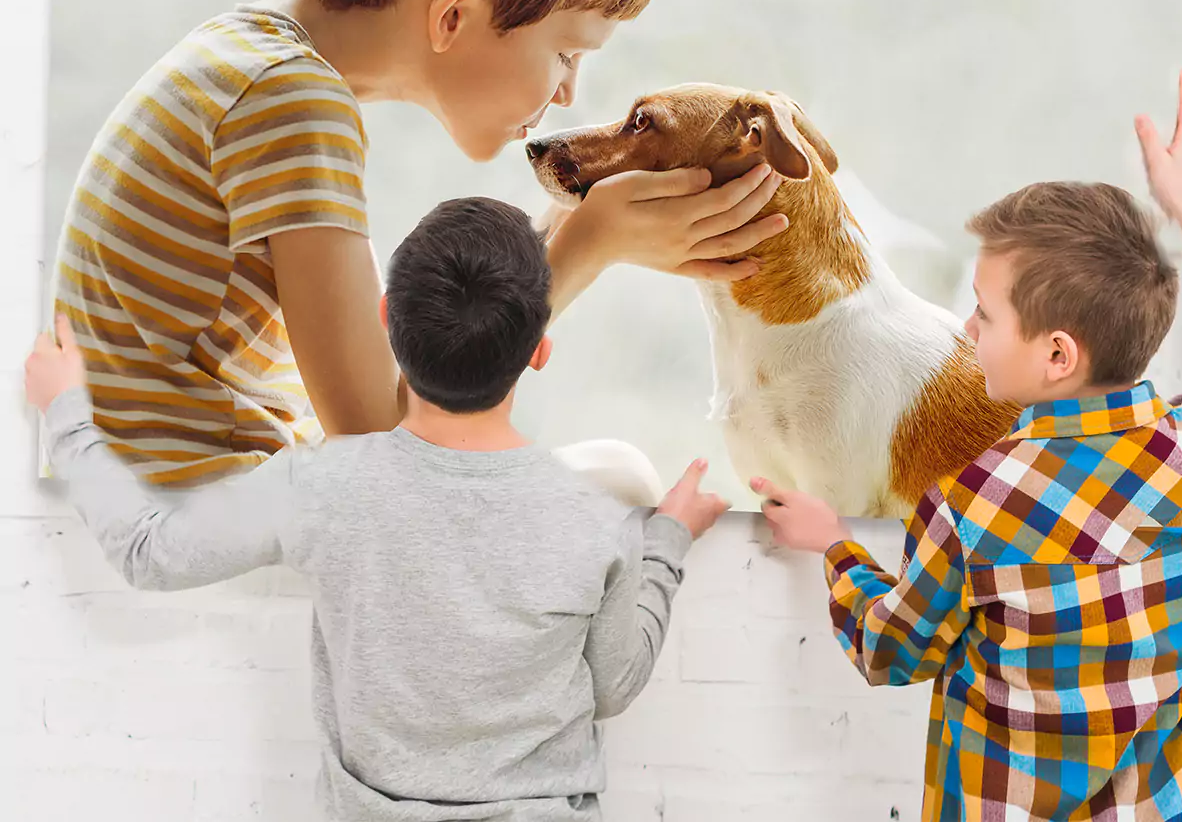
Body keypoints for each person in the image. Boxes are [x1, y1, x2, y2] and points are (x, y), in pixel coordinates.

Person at [51, 0, 787, 485]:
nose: (567, 93)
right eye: (567, 53)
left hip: (196, 489)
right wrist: (581, 252)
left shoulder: (254, 67)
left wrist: (540, 259)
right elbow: (388, 448)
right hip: (204, 510)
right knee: (622, 481)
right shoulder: (289, 104)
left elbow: (392, 388)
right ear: (455, 13)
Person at [26, 195, 731, 822]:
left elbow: (147, 551)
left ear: (388, 320)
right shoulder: (596, 519)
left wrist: (67, 412)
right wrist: (665, 540)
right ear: (540, 350)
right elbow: (612, 686)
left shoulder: (325, 486)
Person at [754, 72, 1182, 821]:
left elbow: (892, 652)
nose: (968, 330)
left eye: (984, 313)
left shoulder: (973, 504)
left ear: (1056, 356)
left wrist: (836, 548)